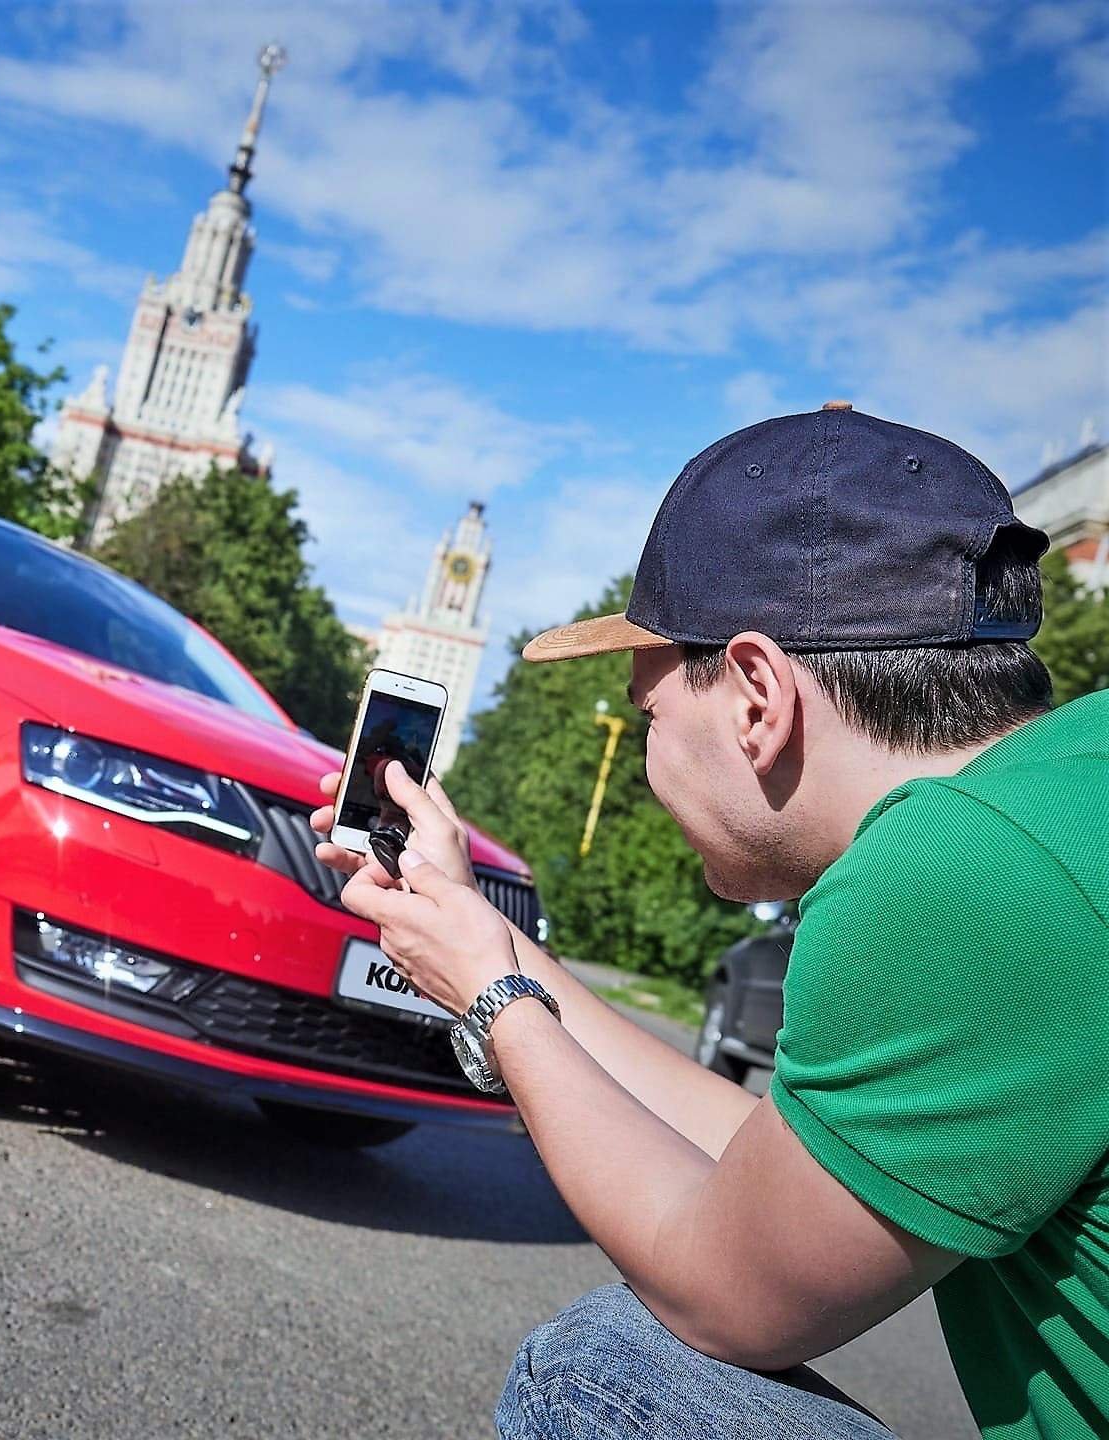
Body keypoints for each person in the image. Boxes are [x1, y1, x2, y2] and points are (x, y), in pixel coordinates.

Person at [310, 404, 1107, 1440]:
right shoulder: (1061, 789)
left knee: (601, 1371)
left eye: (650, 715)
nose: (647, 758)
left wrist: (492, 1003)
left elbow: (727, 1293)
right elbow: (779, 1169)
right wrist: (492, 946)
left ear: (756, 696)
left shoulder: (955, 874)